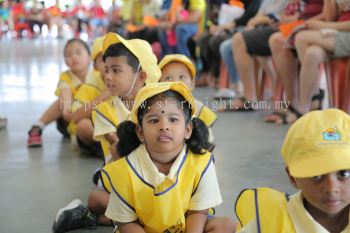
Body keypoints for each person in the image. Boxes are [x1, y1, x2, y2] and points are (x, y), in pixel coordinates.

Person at [51, 32, 161, 233]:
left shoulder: (159, 106)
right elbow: (119, 150)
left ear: (142, 76)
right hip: (122, 178)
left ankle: (103, 219)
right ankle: (144, 217)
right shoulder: (104, 111)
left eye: (116, 70)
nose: (107, 76)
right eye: (107, 69)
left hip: (155, 177)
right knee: (96, 199)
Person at [102, 82, 236, 232]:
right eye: (154, 120)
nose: (164, 126)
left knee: (226, 225)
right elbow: (126, 223)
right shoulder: (124, 170)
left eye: (173, 120)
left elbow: (198, 211)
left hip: (187, 228)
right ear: (140, 132)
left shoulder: (202, 162)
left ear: (187, 129)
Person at [236, 108, 350, 232]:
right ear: (292, 177)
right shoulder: (268, 222)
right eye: (316, 176)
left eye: (343, 174)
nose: (331, 188)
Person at [27, 38, 91, 147]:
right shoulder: (66, 76)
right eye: (69, 55)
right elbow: (65, 91)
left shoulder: (96, 75)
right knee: (61, 101)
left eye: (78, 52)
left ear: (90, 57)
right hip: (67, 119)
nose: (74, 57)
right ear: (66, 61)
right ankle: (38, 126)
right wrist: (66, 108)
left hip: (87, 117)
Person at [158, 54, 217, 146]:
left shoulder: (199, 108)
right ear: (158, 83)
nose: (175, 82)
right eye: (168, 78)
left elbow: (209, 140)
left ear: (192, 83)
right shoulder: (156, 107)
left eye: (182, 77)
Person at [69, 36, 110, 157]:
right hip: (97, 135)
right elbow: (76, 116)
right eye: (103, 59)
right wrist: (105, 94)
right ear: (95, 66)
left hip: (118, 130)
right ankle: (104, 148)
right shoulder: (89, 87)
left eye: (115, 59)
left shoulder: (127, 84)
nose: (109, 63)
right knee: (83, 126)